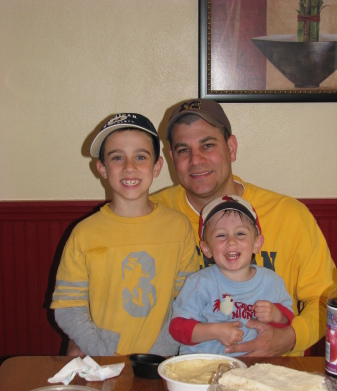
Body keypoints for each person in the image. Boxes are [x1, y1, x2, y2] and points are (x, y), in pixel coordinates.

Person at [151, 98, 336, 356]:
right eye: (184, 150)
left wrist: (290, 337)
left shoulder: (290, 216)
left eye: (207, 145)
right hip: (177, 372)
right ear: (171, 158)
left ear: (231, 147)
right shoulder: (151, 216)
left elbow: (326, 299)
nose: (196, 160)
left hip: (273, 376)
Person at [51, 113, 199, 357]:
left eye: (140, 157)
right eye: (117, 157)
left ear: (157, 166)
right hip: (101, 360)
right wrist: (102, 351)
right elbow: (68, 308)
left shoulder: (178, 227)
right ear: (102, 168)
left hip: (162, 362)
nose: (129, 167)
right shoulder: (84, 235)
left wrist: (157, 354)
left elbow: (188, 300)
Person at [169, 194, 294, 356]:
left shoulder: (272, 282)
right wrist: (215, 331)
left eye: (240, 233)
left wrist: (277, 315)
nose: (231, 241)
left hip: (252, 369)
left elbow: (287, 321)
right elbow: (178, 328)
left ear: (257, 244)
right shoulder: (199, 283)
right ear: (206, 248)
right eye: (221, 235)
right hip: (203, 368)